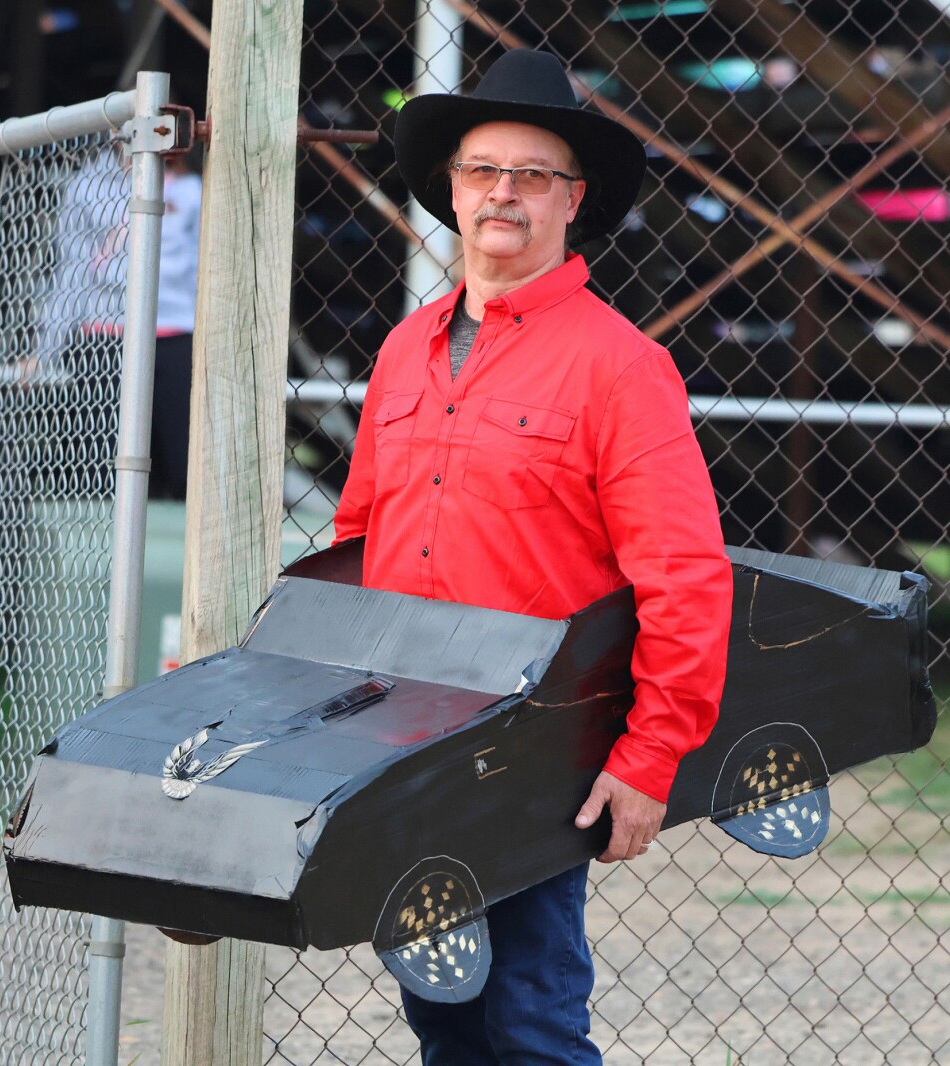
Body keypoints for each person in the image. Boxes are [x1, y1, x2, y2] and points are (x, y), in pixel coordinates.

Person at [332, 48, 733, 1064]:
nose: (502, 192)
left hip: (532, 743)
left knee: (530, 1020)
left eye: (531, 175)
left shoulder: (621, 367)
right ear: (451, 188)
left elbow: (683, 576)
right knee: (442, 1013)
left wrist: (649, 757)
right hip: (402, 733)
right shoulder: (403, 350)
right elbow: (355, 540)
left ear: (572, 200)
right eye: (482, 170)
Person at [151, 152, 202, 498]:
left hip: (179, 327)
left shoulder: (193, 190)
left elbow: (201, 263)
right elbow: (73, 264)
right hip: (106, 328)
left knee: (181, 455)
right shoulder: (93, 185)